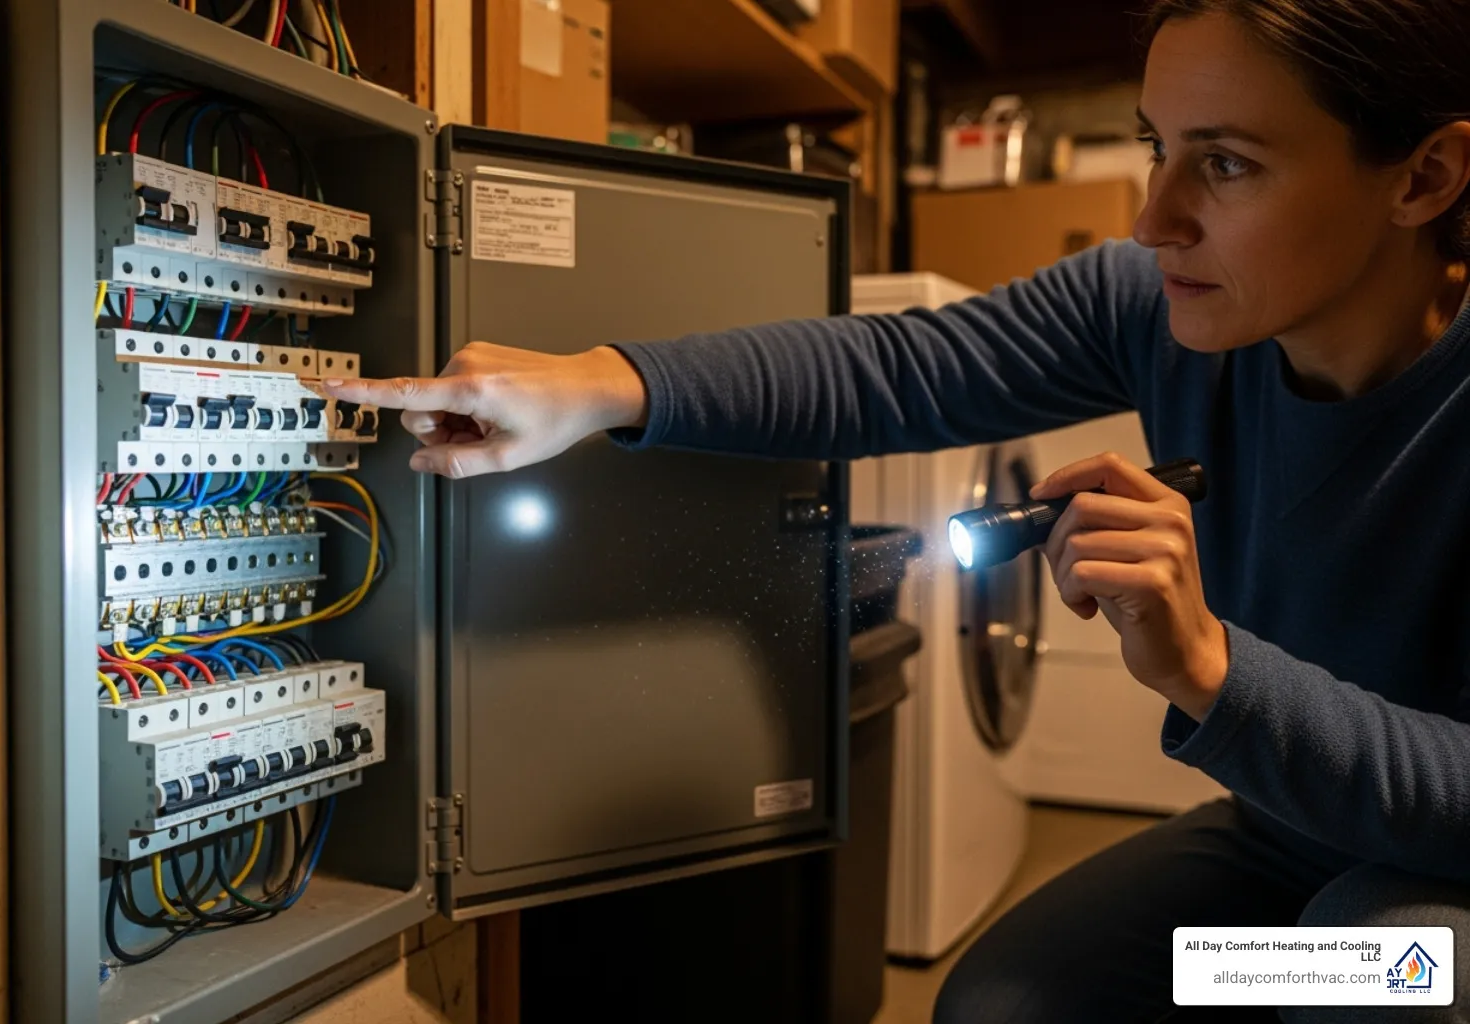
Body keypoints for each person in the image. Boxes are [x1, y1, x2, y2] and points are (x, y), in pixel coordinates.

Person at [328, 1, 1470, 1019]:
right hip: (1288, 831)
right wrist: (600, 385)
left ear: (1424, 177)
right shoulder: (1154, 307)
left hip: (1443, 874)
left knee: (1376, 986)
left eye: (1225, 164)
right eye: (1156, 148)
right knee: (1008, 1002)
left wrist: (1214, 672)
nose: (1153, 218)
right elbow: (897, 368)